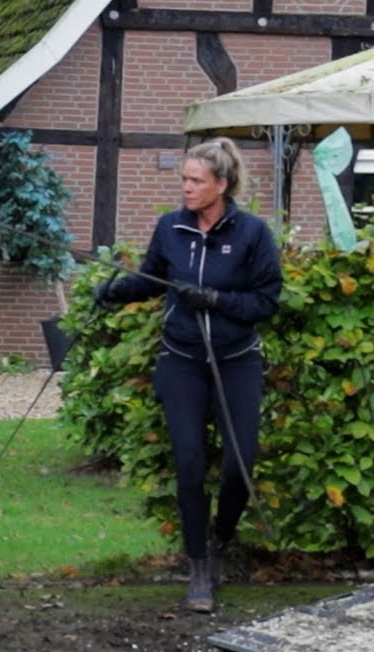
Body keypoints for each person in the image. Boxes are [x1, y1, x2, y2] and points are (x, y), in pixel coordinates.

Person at [94, 137, 281, 613]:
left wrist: (216, 300)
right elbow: (152, 280)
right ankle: (198, 566)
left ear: (222, 184)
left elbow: (266, 302)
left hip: (237, 361)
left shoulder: (252, 233)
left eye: (196, 180)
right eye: (183, 179)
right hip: (181, 361)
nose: (186, 188)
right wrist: (114, 290)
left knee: (239, 465)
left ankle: (220, 541)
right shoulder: (171, 227)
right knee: (191, 464)